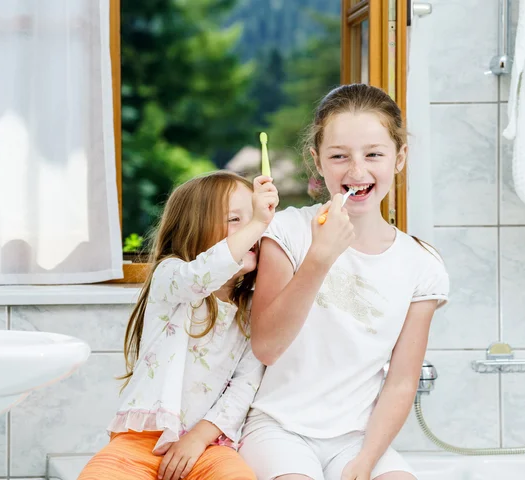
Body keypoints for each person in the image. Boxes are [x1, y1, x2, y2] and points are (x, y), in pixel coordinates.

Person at [239, 84, 449, 480]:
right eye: (339, 156)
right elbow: (267, 347)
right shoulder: (288, 231)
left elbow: (402, 382)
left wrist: (367, 461)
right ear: (317, 161)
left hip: (359, 438)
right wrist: (320, 257)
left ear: (399, 158)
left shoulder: (421, 265)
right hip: (279, 428)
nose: (357, 171)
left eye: (374, 154)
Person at [78, 171, 279, 480]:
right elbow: (201, 277)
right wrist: (256, 224)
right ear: (195, 229)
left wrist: (198, 438)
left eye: (254, 218)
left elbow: (245, 385)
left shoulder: (252, 308)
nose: (254, 230)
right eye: (235, 219)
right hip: (141, 440)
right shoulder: (170, 276)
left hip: (208, 445)